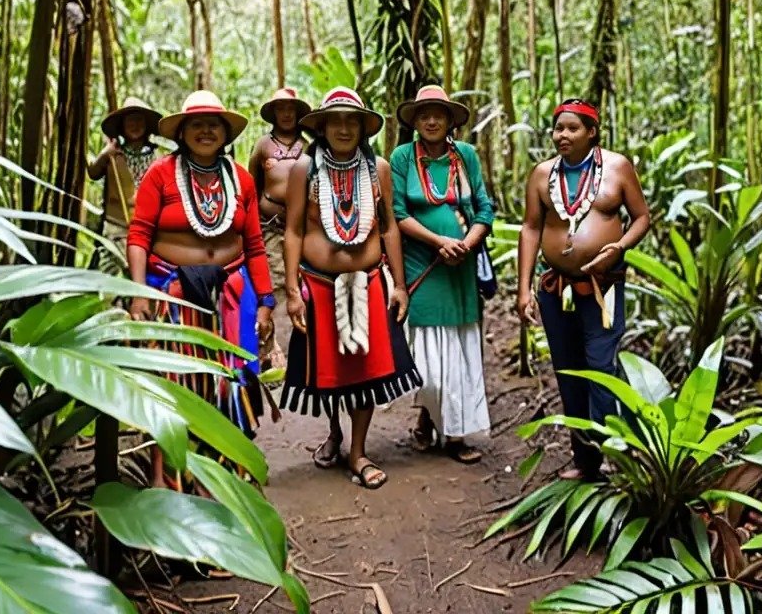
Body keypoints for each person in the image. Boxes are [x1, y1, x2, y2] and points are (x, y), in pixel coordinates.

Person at [127, 90, 276, 488]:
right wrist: (139, 292)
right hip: (172, 294)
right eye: (197, 124)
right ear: (182, 132)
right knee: (173, 381)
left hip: (230, 293)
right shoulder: (161, 174)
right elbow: (139, 234)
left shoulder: (241, 179)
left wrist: (265, 302)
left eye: (214, 124)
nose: (206, 130)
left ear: (226, 133)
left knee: (230, 379)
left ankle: (229, 474)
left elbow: (255, 245)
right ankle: (166, 475)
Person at [279, 87, 419, 490]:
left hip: (369, 282)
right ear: (322, 127)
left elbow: (390, 227)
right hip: (319, 285)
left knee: (365, 371)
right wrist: (291, 290)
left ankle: (358, 451)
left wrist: (400, 285)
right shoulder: (304, 170)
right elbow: (292, 230)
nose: (343, 128)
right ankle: (335, 432)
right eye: (335, 120)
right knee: (331, 371)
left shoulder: (378, 168)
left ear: (362, 127)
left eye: (351, 120)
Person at [516, 99, 650, 480]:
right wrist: (523, 289)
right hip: (555, 287)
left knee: (601, 365)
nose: (562, 135)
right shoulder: (542, 175)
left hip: (601, 288)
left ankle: (613, 452)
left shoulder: (617, 167)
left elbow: (641, 217)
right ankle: (585, 460)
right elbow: (530, 228)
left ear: (591, 132)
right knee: (568, 370)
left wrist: (619, 248)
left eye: (572, 128)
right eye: (558, 128)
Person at [390, 85, 494, 464]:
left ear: (450, 120)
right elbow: (398, 214)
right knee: (429, 365)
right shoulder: (402, 157)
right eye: (424, 114)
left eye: (439, 114)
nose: (431, 120)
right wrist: (438, 242)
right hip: (423, 266)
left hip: (460, 269)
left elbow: (484, 208)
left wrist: (466, 243)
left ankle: (455, 435)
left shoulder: (464, 156)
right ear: (415, 121)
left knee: (461, 350)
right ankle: (428, 413)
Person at [248, 87, 311, 370]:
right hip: (269, 227)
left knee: (301, 285)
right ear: (274, 114)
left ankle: (301, 352)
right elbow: (252, 184)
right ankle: (269, 352)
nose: (286, 114)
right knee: (271, 288)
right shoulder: (263, 145)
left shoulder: (309, 146)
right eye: (281, 109)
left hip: (300, 226)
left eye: (291, 109)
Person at [87, 97, 162, 274]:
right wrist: (105, 154)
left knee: (144, 277)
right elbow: (93, 173)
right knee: (107, 277)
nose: (135, 125)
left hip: (147, 228)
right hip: (115, 227)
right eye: (130, 120)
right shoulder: (113, 155)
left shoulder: (158, 157)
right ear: (122, 126)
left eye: (139, 120)